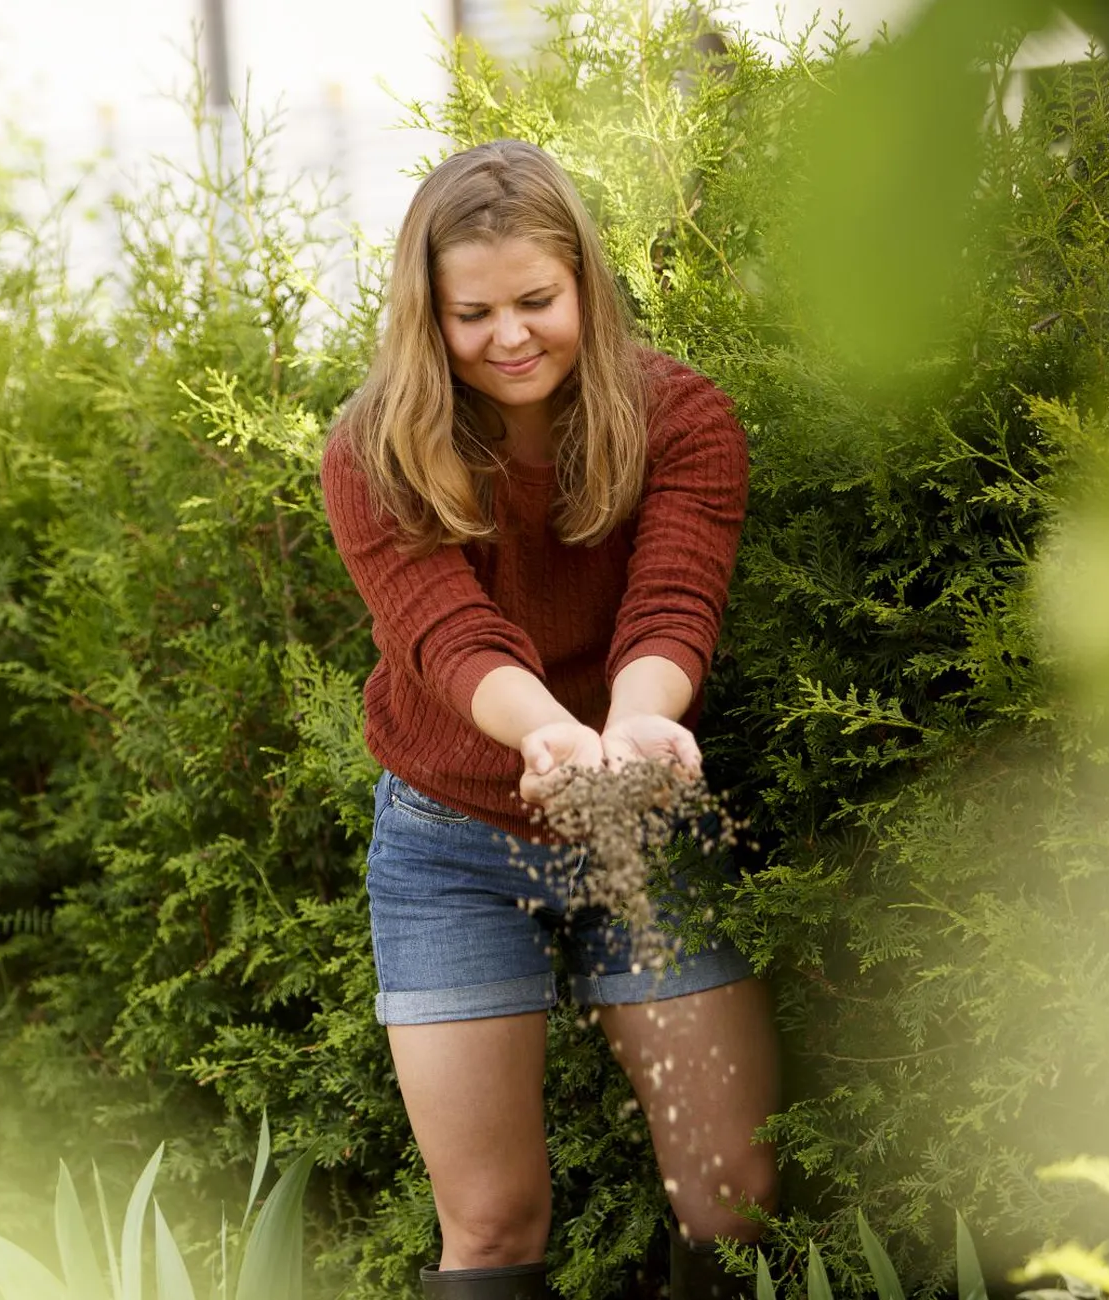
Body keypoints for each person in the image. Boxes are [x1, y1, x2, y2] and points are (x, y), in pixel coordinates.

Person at [319, 139, 778, 1300]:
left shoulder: (680, 418)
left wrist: (628, 733)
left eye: (537, 300)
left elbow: (673, 601)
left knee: (736, 1187)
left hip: (644, 818)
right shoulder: (373, 449)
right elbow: (449, 637)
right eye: (474, 312)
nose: (511, 335)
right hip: (452, 850)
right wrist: (549, 735)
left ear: (584, 285)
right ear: (428, 312)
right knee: (491, 1221)